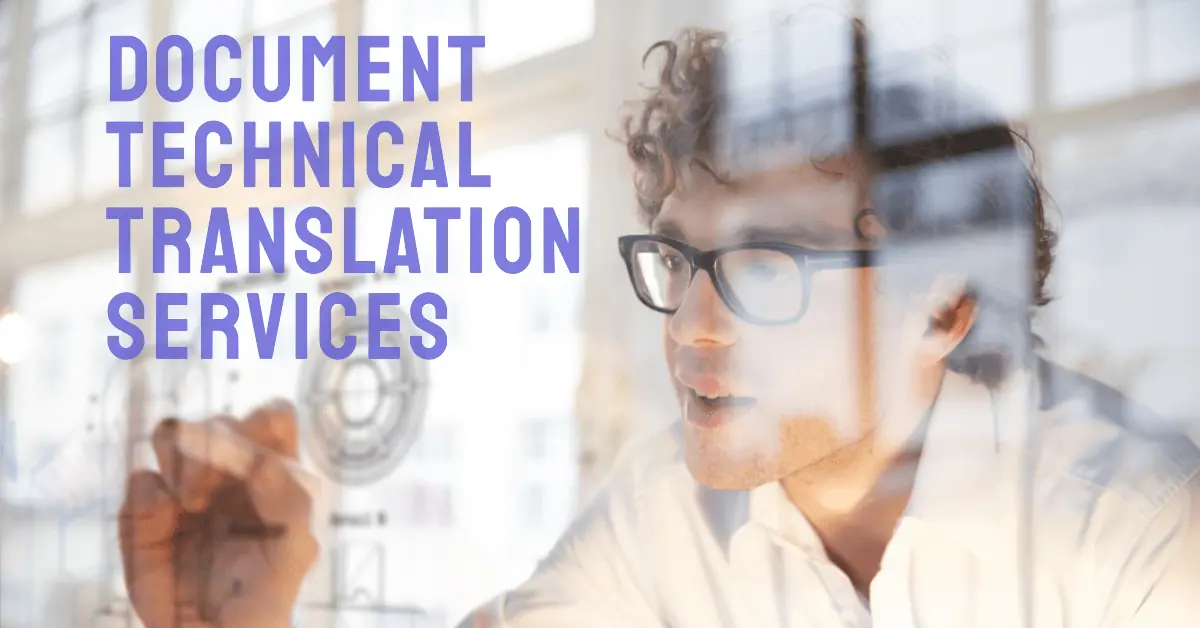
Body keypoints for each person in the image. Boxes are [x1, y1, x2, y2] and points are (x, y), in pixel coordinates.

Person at [118, 20, 1200, 628]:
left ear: (945, 300)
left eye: (768, 261)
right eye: (680, 257)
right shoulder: (666, 507)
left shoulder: (1145, 535)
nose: (693, 321)